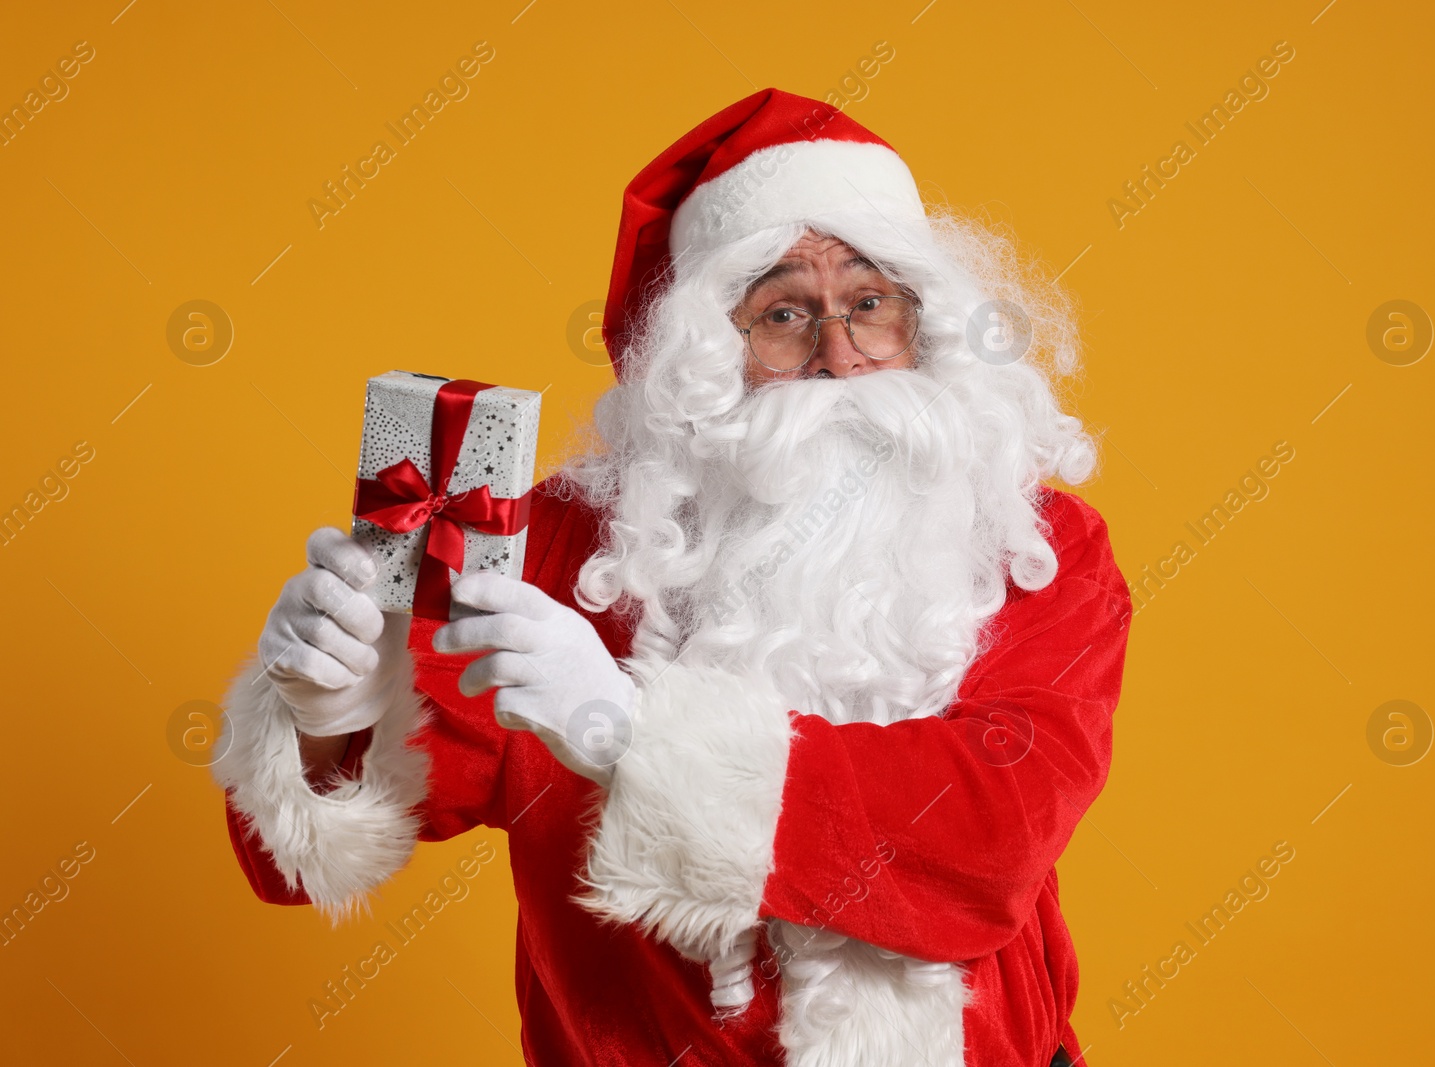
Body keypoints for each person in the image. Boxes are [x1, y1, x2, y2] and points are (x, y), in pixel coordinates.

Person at [214, 88, 1132, 1067]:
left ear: (924, 319)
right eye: (783, 312)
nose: (837, 356)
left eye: (869, 303)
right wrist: (329, 712)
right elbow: (312, 855)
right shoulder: (570, 549)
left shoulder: (1036, 545)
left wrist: (627, 730)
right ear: (704, 356)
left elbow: (987, 834)